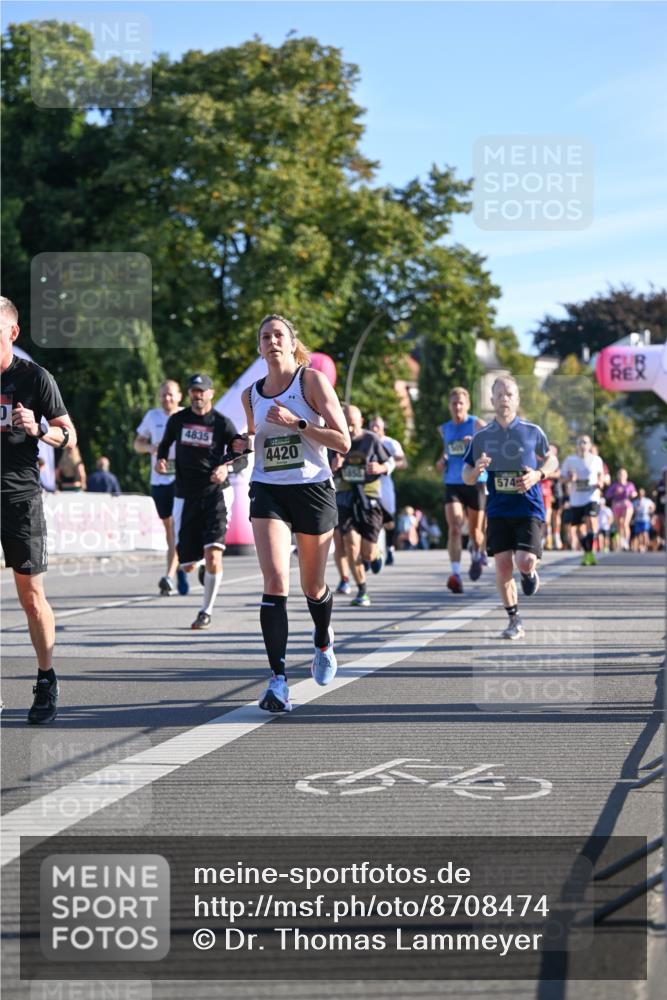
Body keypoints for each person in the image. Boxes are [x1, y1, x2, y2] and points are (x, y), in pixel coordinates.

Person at [239, 314, 350, 712]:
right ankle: (278, 681)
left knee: (312, 586)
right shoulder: (251, 394)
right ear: (260, 346)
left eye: (278, 335)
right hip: (268, 489)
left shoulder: (311, 382)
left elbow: (343, 441)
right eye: (265, 335)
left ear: (290, 342)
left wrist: (299, 422)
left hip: (312, 489)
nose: (272, 341)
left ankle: (323, 638)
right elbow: (257, 439)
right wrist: (240, 445)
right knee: (274, 581)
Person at [0, 295, 77, 724]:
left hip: (18, 498)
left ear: (12, 332)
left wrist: (40, 428)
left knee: (31, 599)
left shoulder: (34, 378)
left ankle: (46, 677)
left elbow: (71, 436)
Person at [463, 374, 558, 640]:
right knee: (503, 566)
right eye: (499, 394)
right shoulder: (482, 437)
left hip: (528, 507)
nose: (504, 399)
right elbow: (466, 475)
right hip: (498, 508)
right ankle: (514, 619)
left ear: (517, 400)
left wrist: (538, 474)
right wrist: (476, 470)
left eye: (509, 394)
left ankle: (529, 573)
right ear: (492, 400)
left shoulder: (532, 431)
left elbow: (552, 461)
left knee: (524, 561)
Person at [156, 373, 241, 629]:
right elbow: (164, 445)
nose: (198, 395)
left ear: (211, 393)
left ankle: (206, 611)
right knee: (188, 565)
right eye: (194, 390)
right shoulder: (178, 421)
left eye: (202, 390)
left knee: (214, 553)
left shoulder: (222, 424)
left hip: (217, 494)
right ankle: (200, 561)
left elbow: (241, 455)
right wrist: (161, 460)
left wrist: (227, 467)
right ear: (189, 393)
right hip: (185, 495)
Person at [332, 404, 391, 607]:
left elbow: (389, 463)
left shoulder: (371, 439)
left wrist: (381, 467)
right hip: (345, 497)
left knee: (367, 553)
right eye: (345, 424)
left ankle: (375, 554)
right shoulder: (334, 440)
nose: (349, 429)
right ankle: (362, 590)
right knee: (350, 543)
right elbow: (324, 471)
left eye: (353, 425)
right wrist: (334, 467)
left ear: (361, 422)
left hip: (369, 497)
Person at [135, 380, 184, 596]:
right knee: (169, 528)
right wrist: (150, 448)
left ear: (180, 396)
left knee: (177, 526)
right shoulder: (152, 417)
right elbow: (137, 444)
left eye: (171, 395)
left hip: (183, 479)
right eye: (164, 395)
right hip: (159, 479)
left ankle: (170, 575)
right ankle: (181, 566)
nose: (167, 398)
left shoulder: (187, 416)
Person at [437, 387, 487, 594]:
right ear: (449, 406)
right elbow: (446, 451)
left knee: (476, 532)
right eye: (453, 403)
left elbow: (488, 448)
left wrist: (476, 451)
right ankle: (455, 574)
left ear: (467, 405)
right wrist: (441, 461)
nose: (457, 406)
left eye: (461, 403)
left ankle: (477, 554)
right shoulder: (444, 429)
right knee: (455, 527)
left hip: (475, 481)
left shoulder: (476, 424)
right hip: (452, 482)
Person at [368, 414, 408, 565]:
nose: (374, 429)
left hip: (385, 484)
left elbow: (403, 462)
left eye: (377, 426)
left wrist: (385, 467)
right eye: (371, 426)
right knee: (371, 519)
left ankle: (390, 548)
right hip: (368, 485)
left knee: (388, 520)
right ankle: (373, 552)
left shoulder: (390, 443)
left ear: (383, 428)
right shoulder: (366, 441)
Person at [559, 435, 605, 565]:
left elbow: (602, 475)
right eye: (580, 442)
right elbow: (561, 478)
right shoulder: (570, 460)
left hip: (592, 496)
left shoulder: (596, 460)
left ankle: (590, 552)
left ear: (590, 445)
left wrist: (600, 482)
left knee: (591, 520)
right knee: (579, 529)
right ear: (577, 445)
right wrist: (569, 478)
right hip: (576, 499)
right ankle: (587, 552)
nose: (583, 445)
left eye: (585, 442)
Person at [606, 468, 637, 551]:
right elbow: (608, 495)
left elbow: (634, 493)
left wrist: (633, 494)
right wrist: (615, 493)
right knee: (619, 525)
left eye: (623, 474)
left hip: (627, 505)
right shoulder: (615, 486)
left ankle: (626, 542)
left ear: (626, 476)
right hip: (617, 505)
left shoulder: (629, 485)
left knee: (625, 523)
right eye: (619, 474)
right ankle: (622, 542)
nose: (621, 476)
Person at [631, 488, 654, 553]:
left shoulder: (647, 500)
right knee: (639, 534)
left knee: (645, 533)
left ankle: (645, 546)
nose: (640, 494)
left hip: (645, 519)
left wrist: (651, 515)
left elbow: (652, 507)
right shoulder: (635, 501)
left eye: (642, 493)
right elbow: (632, 511)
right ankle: (640, 546)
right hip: (637, 519)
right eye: (639, 492)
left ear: (644, 493)